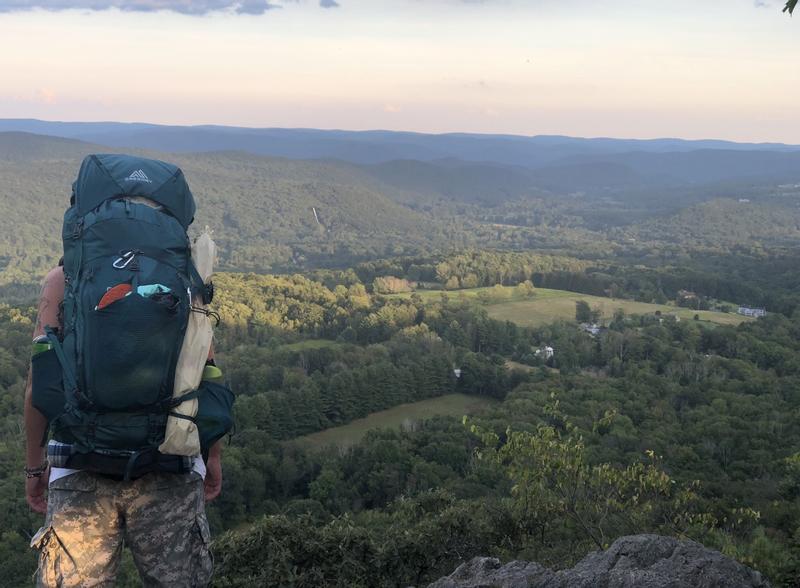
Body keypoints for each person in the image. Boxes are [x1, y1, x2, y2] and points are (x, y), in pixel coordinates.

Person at [25, 264, 222, 587]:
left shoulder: (61, 280)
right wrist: (212, 455)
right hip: (170, 463)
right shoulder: (183, 275)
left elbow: (39, 382)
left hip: (79, 468)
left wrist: (35, 469)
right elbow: (207, 373)